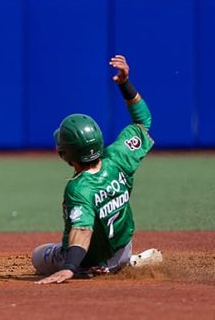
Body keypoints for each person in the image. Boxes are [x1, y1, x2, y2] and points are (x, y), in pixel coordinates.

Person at [33, 55, 160, 284]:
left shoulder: (79, 187)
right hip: (123, 247)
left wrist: (70, 267)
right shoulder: (119, 156)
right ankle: (124, 261)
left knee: (38, 256)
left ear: (65, 155)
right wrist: (125, 83)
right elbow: (144, 121)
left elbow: (83, 230)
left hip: (90, 259)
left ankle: (95, 267)